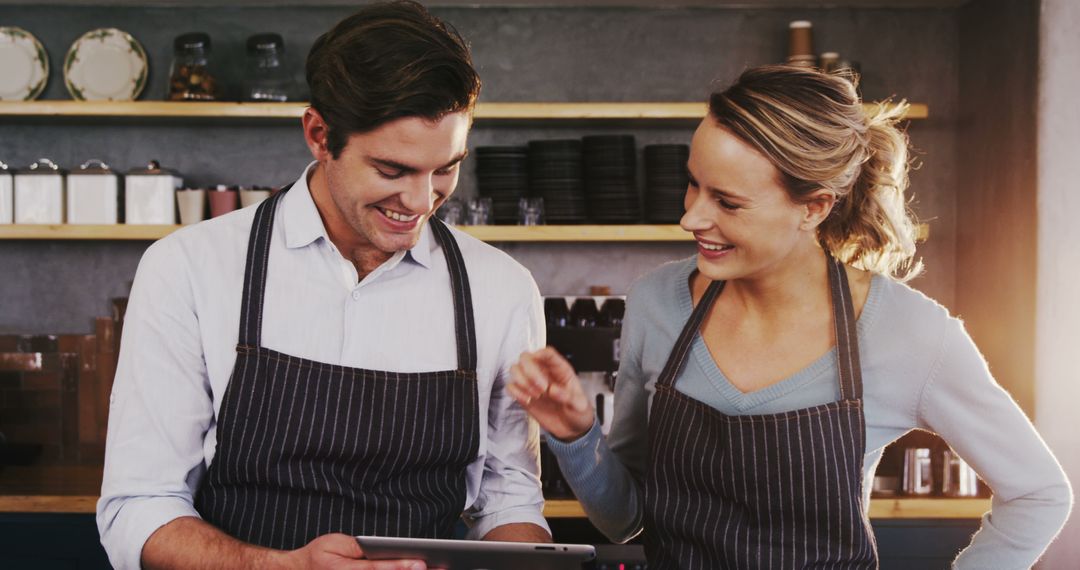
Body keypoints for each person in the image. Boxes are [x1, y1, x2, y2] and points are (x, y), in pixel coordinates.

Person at [510, 65, 1072, 569]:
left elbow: (1039, 493)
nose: (690, 217)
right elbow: (626, 519)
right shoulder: (658, 303)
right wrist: (575, 434)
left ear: (814, 207)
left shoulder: (910, 332)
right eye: (693, 184)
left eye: (727, 202)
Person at [97, 3, 552, 568]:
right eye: (392, 170)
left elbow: (508, 500)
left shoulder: (501, 290)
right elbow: (138, 507)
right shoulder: (189, 269)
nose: (421, 201)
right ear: (318, 134)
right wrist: (280, 566)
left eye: (445, 168)